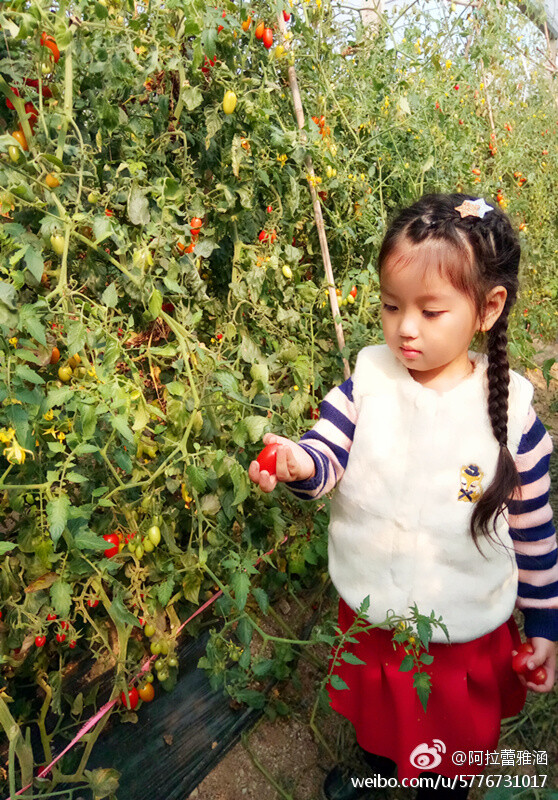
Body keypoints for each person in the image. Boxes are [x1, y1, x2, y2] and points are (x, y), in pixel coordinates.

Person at [248, 194, 558, 800]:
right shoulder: (367, 382)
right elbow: (326, 454)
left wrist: (545, 622)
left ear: (488, 308)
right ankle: (376, 768)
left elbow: (535, 537)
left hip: (459, 631)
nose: (404, 328)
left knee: (446, 751)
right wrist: (296, 461)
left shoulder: (513, 422)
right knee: (379, 715)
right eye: (391, 306)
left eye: (430, 311)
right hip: (374, 610)